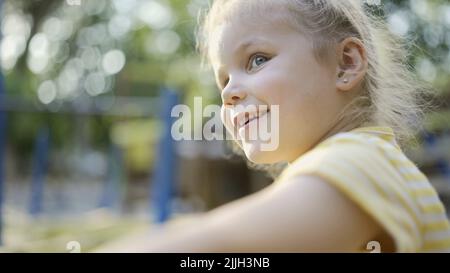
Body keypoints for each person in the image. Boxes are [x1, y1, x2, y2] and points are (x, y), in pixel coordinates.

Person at [100, 0, 450, 252]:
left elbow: (224, 245)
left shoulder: (363, 162)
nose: (229, 93)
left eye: (256, 60)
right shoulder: (362, 164)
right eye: (223, 80)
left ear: (345, 63)